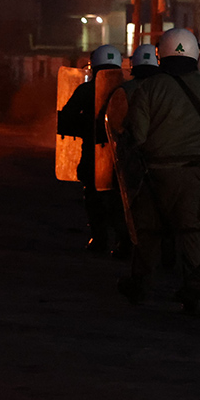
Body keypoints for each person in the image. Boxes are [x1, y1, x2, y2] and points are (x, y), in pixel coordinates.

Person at [116, 28, 200, 315]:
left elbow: (137, 137)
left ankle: (140, 286)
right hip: (196, 175)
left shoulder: (148, 89)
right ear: (196, 54)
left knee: (148, 233)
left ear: (161, 54)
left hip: (156, 174)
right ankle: (195, 290)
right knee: (194, 232)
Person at [57, 44, 128, 256]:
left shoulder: (85, 90)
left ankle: (99, 240)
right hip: (121, 156)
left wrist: (88, 130)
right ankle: (124, 243)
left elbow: (65, 121)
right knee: (120, 199)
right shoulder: (127, 89)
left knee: (94, 198)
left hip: (92, 154)